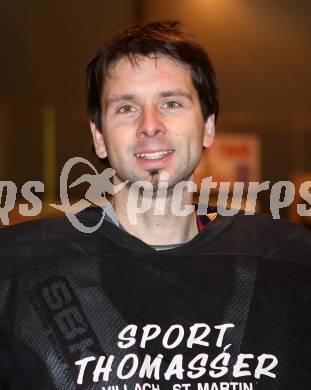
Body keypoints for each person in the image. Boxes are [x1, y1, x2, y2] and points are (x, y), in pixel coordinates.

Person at [0, 21, 310, 390]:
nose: (151, 125)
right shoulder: (18, 270)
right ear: (99, 137)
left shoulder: (291, 263)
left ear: (208, 126)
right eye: (127, 107)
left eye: (171, 103)